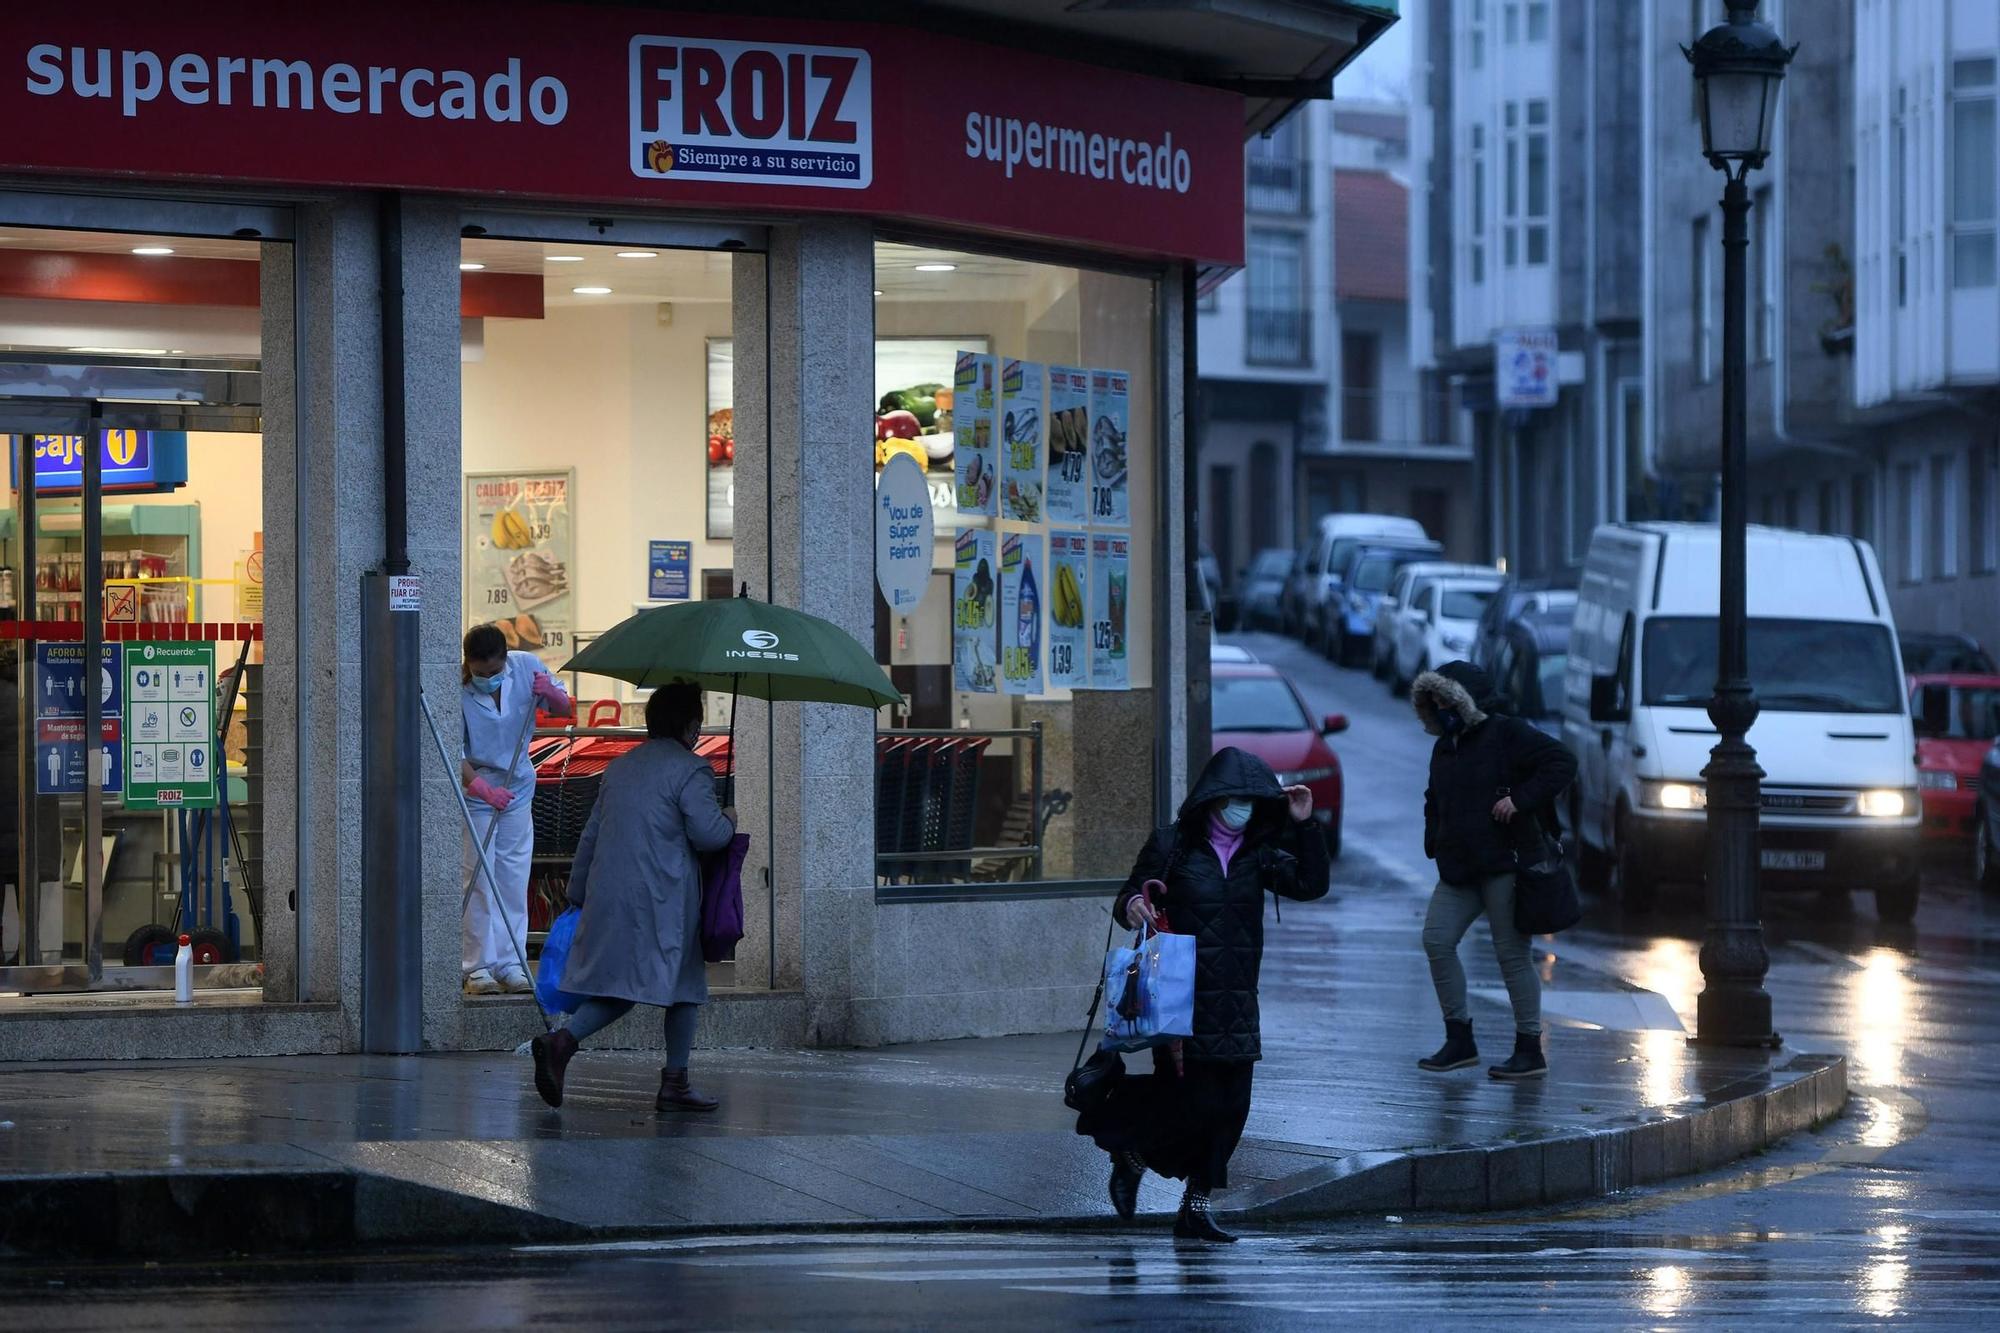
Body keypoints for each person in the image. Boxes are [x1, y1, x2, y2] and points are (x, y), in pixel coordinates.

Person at [1078, 747, 1329, 1243]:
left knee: (1231, 1109)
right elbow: (1125, 897)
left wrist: (1305, 825)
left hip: (1237, 998)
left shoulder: (1259, 851)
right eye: (1234, 799)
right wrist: (1134, 905)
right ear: (1212, 800)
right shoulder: (1173, 845)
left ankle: (1195, 1207)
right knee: (1189, 1106)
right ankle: (1130, 1154)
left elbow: (1310, 884)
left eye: (1251, 801)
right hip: (1177, 1001)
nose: (1242, 809)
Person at [530, 683, 737, 1112]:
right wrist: (728, 820)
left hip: (612, 891)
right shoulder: (692, 769)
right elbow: (708, 834)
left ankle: (563, 1042)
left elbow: (591, 834)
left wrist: (577, 890)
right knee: (683, 986)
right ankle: (674, 1082)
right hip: (665, 899)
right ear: (691, 724)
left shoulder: (619, 768)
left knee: (620, 984)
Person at [1411, 660, 1576, 1082]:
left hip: (1505, 864)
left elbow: (1562, 761)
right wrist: (1435, 839)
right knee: (1436, 940)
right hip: (1459, 868)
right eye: (1432, 702)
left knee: (1511, 955)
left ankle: (1528, 1048)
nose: (1439, 708)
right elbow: (1434, 797)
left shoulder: (1507, 733)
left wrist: (1520, 800)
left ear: (1465, 700)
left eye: (1445, 699)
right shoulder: (1444, 746)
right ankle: (1459, 1040)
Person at [460, 623, 571, 995]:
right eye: (480, 673)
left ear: (505, 660)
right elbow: (451, 750)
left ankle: (512, 963)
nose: (487, 679)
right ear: (468, 665)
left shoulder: (525, 667)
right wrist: (480, 787)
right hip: (476, 789)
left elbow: (564, 707)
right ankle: (477, 967)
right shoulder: (455, 688)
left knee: (512, 877)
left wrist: (550, 694)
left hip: (517, 785)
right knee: (478, 877)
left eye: (494, 672)